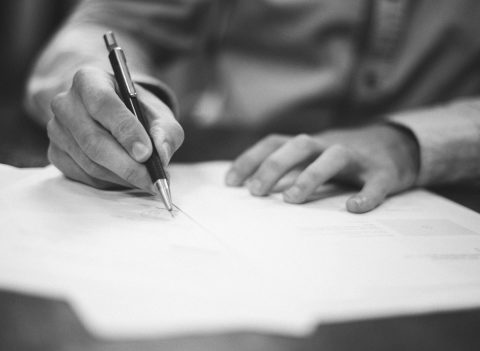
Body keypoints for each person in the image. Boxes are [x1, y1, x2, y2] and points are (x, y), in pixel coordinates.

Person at [25, 0, 480, 213]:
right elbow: (104, 25)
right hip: (234, 172)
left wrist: (411, 141)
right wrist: (109, 94)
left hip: (445, 187)